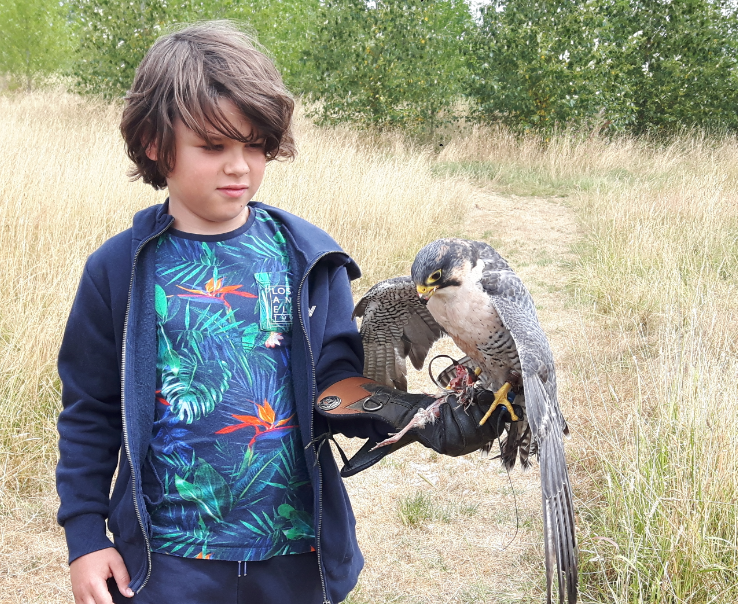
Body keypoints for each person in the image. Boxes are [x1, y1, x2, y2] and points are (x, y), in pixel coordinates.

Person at [56, 21, 508, 604]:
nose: (238, 166)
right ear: (154, 144)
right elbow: (89, 410)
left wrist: (419, 415)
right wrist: (86, 536)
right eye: (214, 147)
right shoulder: (119, 270)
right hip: (166, 560)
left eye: (254, 145)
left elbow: (335, 387)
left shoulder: (307, 259)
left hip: (294, 555)